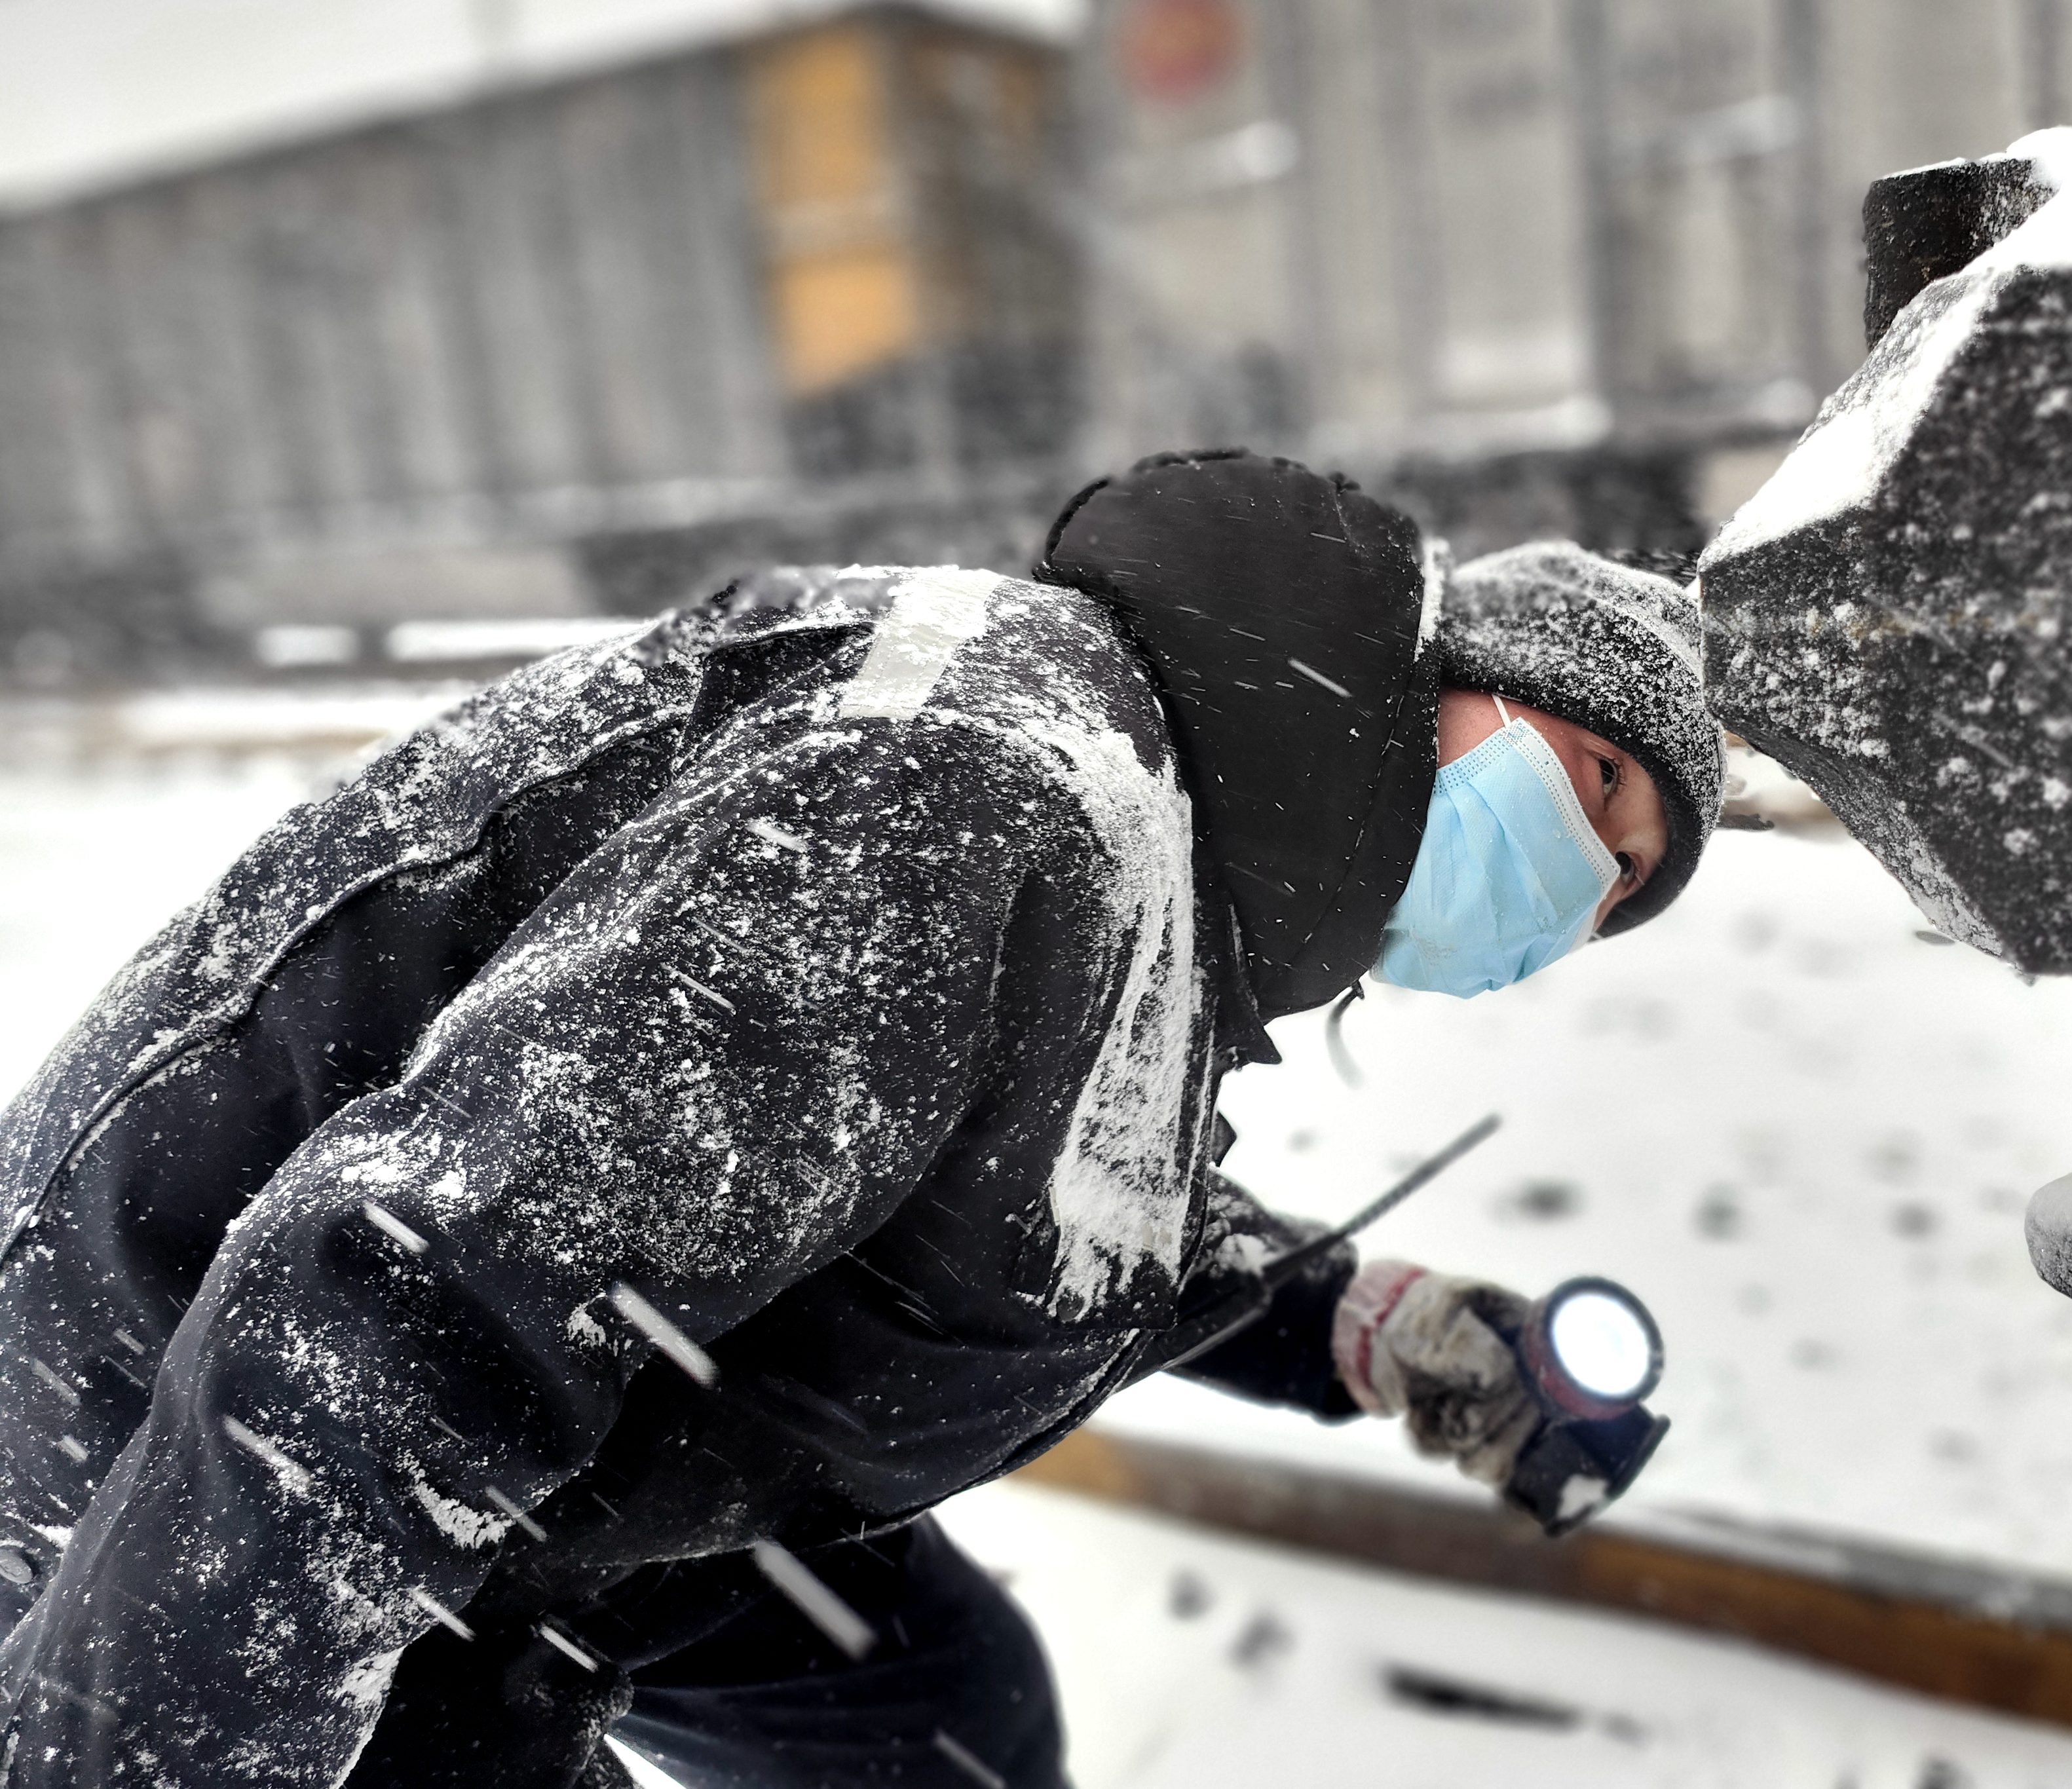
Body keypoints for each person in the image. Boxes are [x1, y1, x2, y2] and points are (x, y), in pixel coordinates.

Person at [0, 449, 1724, 1788]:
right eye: (1594, 789)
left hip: (590, 1454)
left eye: (1618, 895)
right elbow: (416, 1292)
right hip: (187, 1419)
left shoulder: (1168, 877)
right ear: (1444, 679)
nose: (1573, 894)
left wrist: (1387, 1332)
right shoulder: (982, 779)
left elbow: (1064, 1210)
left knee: (932, 1722)